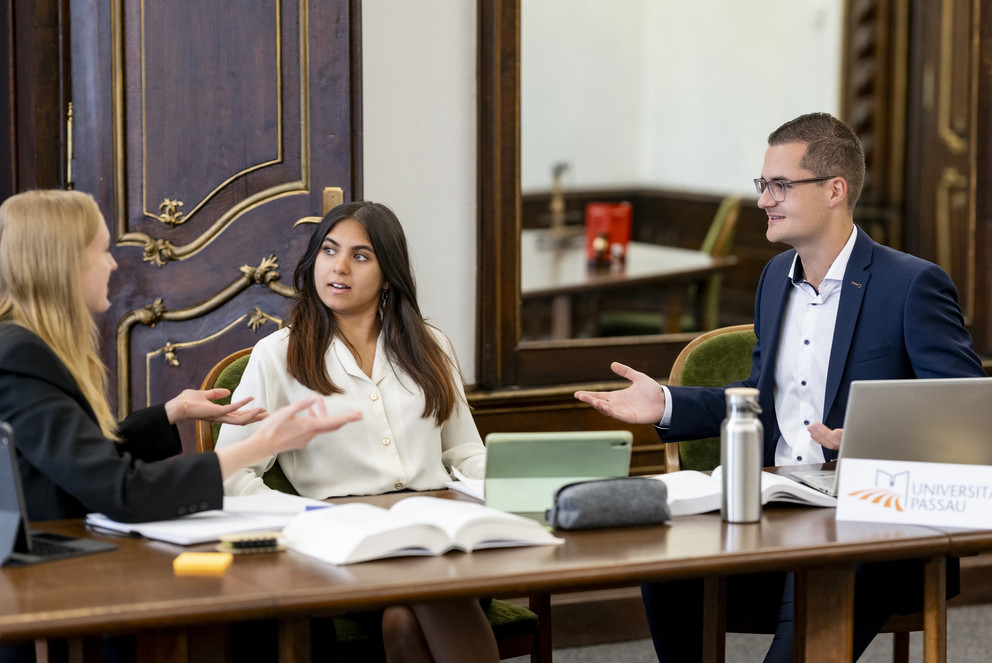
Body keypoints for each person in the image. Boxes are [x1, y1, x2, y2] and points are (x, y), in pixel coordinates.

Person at [575, 112, 986, 662]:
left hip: (866, 524)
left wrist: (867, 439)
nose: (765, 200)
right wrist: (666, 402)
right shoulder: (774, 278)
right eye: (762, 185)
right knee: (665, 566)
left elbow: (966, 416)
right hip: (776, 508)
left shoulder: (911, 285)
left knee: (816, 588)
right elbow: (760, 401)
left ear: (835, 190)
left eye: (780, 186)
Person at [0, 189, 362, 662]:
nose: (113, 264)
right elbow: (120, 490)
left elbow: (77, 456)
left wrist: (172, 413)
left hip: (70, 554)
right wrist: (256, 447)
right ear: (63, 262)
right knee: (261, 614)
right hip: (56, 585)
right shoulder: (22, 356)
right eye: (102, 250)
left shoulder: (24, 345)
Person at [215, 201, 496, 663]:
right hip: (343, 547)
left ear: (389, 275)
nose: (339, 267)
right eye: (329, 250)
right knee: (429, 592)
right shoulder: (277, 355)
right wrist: (309, 517)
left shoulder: (431, 345)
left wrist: (517, 486)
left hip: (434, 531)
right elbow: (232, 476)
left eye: (360, 256)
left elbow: (464, 451)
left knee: (403, 619)